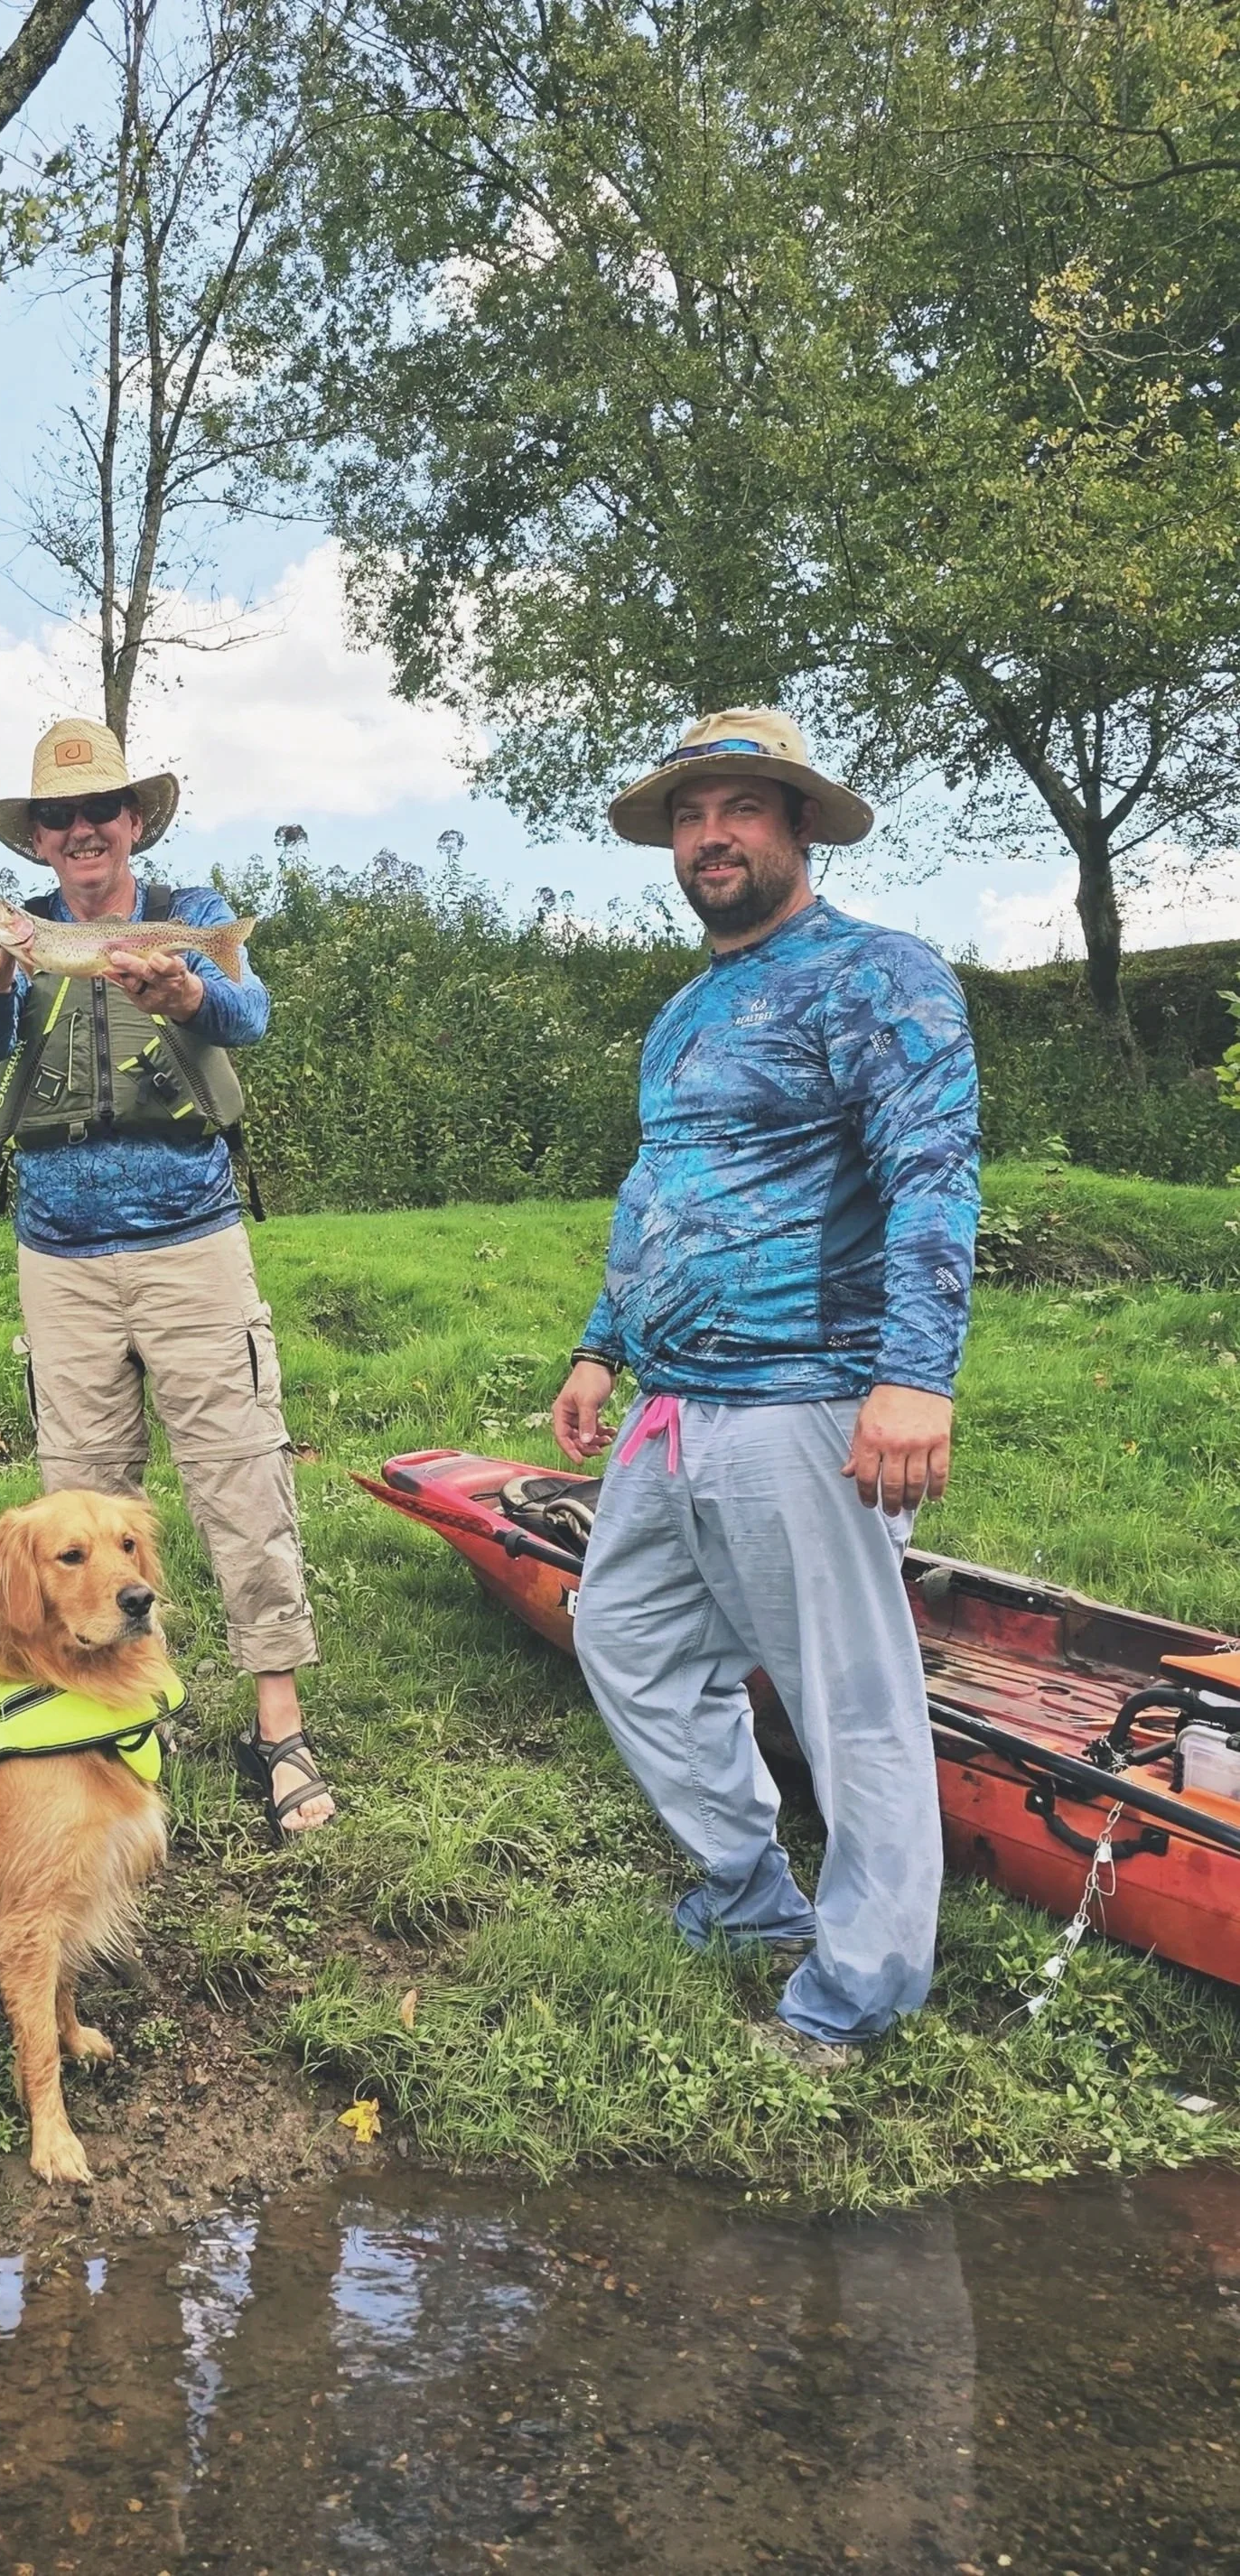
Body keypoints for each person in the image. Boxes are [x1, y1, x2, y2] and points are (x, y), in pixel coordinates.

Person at [552, 709, 979, 2069]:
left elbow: (933, 1176)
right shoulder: (682, 1015)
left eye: (741, 808)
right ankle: (748, 1892)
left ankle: (862, 1985)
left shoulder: (879, 977)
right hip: (676, 1406)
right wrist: (599, 1343)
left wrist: (913, 1376)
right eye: (689, 814)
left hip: (811, 1400)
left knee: (849, 1699)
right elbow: (656, 1193)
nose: (711, 835)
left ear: (798, 827)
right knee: (623, 1635)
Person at [0, 716, 331, 1836]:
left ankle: (278, 1727)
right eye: (58, 818)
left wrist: (190, 995)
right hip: (58, 1260)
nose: (80, 832)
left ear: (132, 823)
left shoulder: (196, 918)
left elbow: (247, 1015)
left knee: (237, 1477)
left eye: (99, 813)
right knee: (81, 1501)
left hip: (190, 1243)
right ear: (39, 840)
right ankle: (120, 1721)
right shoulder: (18, 934)